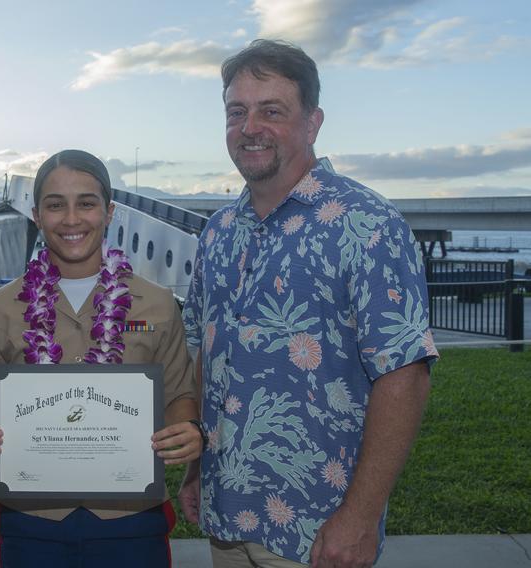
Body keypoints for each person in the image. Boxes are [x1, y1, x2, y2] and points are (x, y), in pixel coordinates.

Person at [179, 39, 437, 568]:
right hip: (226, 516)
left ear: (313, 123)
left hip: (317, 533)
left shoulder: (366, 224)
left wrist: (360, 518)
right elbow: (208, 356)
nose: (250, 127)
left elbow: (404, 374)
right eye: (237, 111)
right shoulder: (219, 232)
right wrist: (194, 470)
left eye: (272, 111)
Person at [0, 149, 203, 567]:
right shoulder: (0, 307)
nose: (71, 219)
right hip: (32, 518)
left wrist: (184, 427)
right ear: (37, 214)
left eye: (86, 203)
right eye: (56, 205)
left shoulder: (158, 304)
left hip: (130, 518)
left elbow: (179, 392)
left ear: (109, 212)